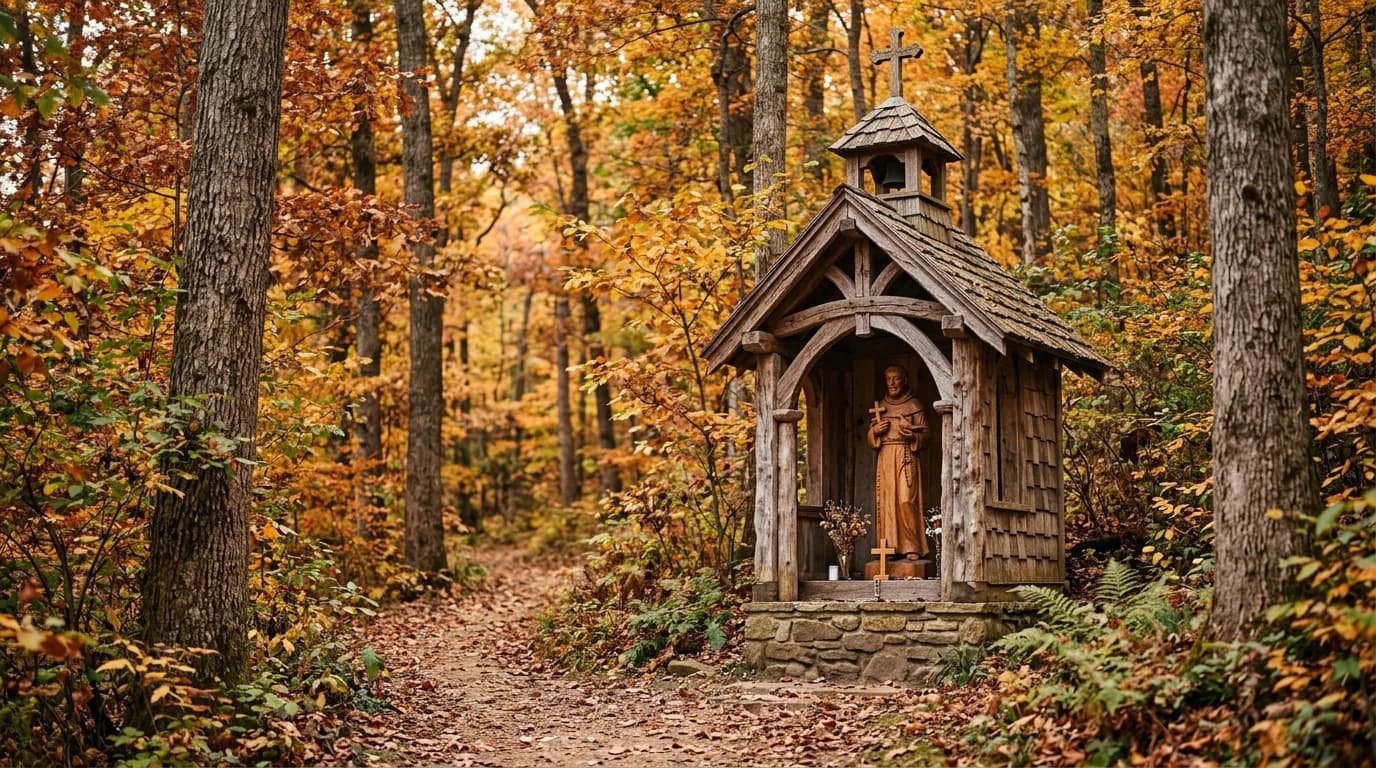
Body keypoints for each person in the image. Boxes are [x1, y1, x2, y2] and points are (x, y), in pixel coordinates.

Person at [868, 365, 930, 559]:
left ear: (905, 380)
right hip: (885, 455)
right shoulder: (880, 407)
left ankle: (912, 546)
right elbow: (871, 438)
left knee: (905, 499)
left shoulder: (914, 405)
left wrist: (911, 434)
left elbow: (927, 435)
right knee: (887, 502)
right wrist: (875, 432)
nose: (892, 383)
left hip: (905, 455)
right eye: (888, 379)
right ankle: (890, 547)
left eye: (896, 378)